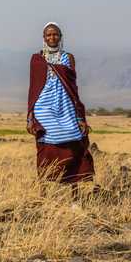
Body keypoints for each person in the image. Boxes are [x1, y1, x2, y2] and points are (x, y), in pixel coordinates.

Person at [27, 22, 94, 196]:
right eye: (48, 35)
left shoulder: (68, 58)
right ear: (43, 38)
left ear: (60, 37)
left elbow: (73, 87)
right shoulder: (37, 59)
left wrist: (80, 117)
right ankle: (43, 194)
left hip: (65, 104)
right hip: (43, 105)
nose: (52, 37)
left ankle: (75, 193)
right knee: (45, 145)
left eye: (55, 34)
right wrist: (30, 116)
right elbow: (33, 88)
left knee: (74, 140)